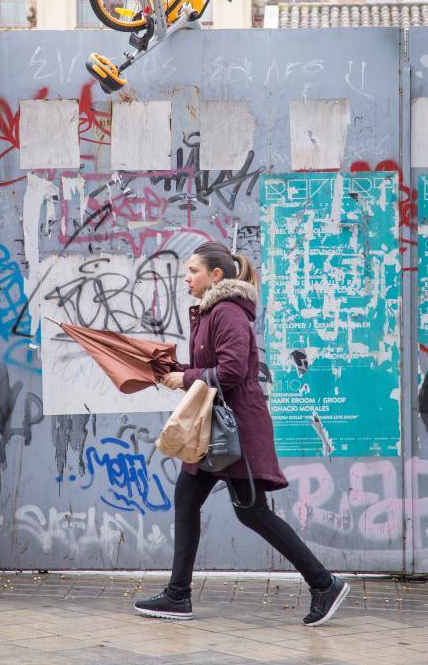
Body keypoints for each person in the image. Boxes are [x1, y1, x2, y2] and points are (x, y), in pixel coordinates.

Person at [134, 241, 349, 626]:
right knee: (187, 499)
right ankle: (178, 595)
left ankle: (324, 583)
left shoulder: (228, 312)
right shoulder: (209, 313)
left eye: (193, 271)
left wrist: (184, 377)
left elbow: (231, 371)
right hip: (212, 430)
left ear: (216, 275)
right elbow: (209, 367)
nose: (186, 277)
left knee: (252, 513)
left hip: (235, 430)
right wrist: (169, 367)